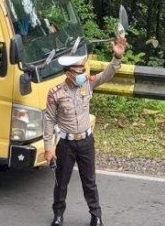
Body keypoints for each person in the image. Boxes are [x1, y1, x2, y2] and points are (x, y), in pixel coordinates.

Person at [43, 36, 127, 226]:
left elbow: (108, 74)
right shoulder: (55, 93)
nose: (82, 73)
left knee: (89, 181)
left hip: (86, 142)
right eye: (78, 70)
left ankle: (96, 216)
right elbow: (48, 119)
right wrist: (49, 148)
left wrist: (117, 56)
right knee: (61, 182)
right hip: (65, 144)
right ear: (68, 73)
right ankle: (58, 215)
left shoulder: (87, 84)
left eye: (83, 69)